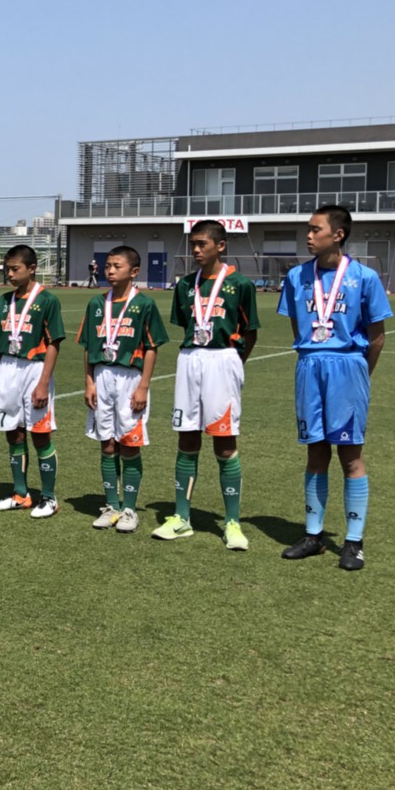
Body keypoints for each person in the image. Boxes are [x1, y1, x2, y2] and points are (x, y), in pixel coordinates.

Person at [277, 205, 391, 572]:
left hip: (348, 367)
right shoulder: (296, 276)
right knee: (315, 452)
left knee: (350, 455)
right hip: (310, 366)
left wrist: (359, 373)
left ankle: (354, 542)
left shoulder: (364, 277)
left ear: (338, 234)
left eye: (316, 229)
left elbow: (377, 337)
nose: (308, 236)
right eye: (308, 229)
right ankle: (313, 536)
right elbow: (297, 327)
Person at [156, 222, 259, 550]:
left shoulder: (240, 284)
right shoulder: (186, 285)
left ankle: (232, 523)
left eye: (202, 244)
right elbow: (186, 323)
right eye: (193, 244)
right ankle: (182, 517)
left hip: (223, 359)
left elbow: (251, 332)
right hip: (190, 359)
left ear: (221, 246)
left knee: (224, 442)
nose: (196, 250)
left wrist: (234, 364)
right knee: (187, 437)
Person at [80, 246, 168, 532]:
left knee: (129, 443)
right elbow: (88, 346)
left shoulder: (144, 304)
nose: (110, 271)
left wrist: (143, 386)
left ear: (134, 271)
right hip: (102, 375)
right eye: (107, 265)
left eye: (117, 266)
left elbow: (152, 347)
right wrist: (89, 381)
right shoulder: (96, 303)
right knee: (106, 442)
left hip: (130, 377)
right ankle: (111, 506)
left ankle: (129, 508)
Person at [0, 244, 64, 516]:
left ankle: (49, 498)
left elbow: (54, 343)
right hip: (8, 368)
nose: (9, 274)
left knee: (40, 434)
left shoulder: (48, 300)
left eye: (14, 269)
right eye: (6, 269)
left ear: (31, 269)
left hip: (35, 369)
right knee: (13, 432)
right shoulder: (3, 301)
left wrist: (43, 382)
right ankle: (21, 494)